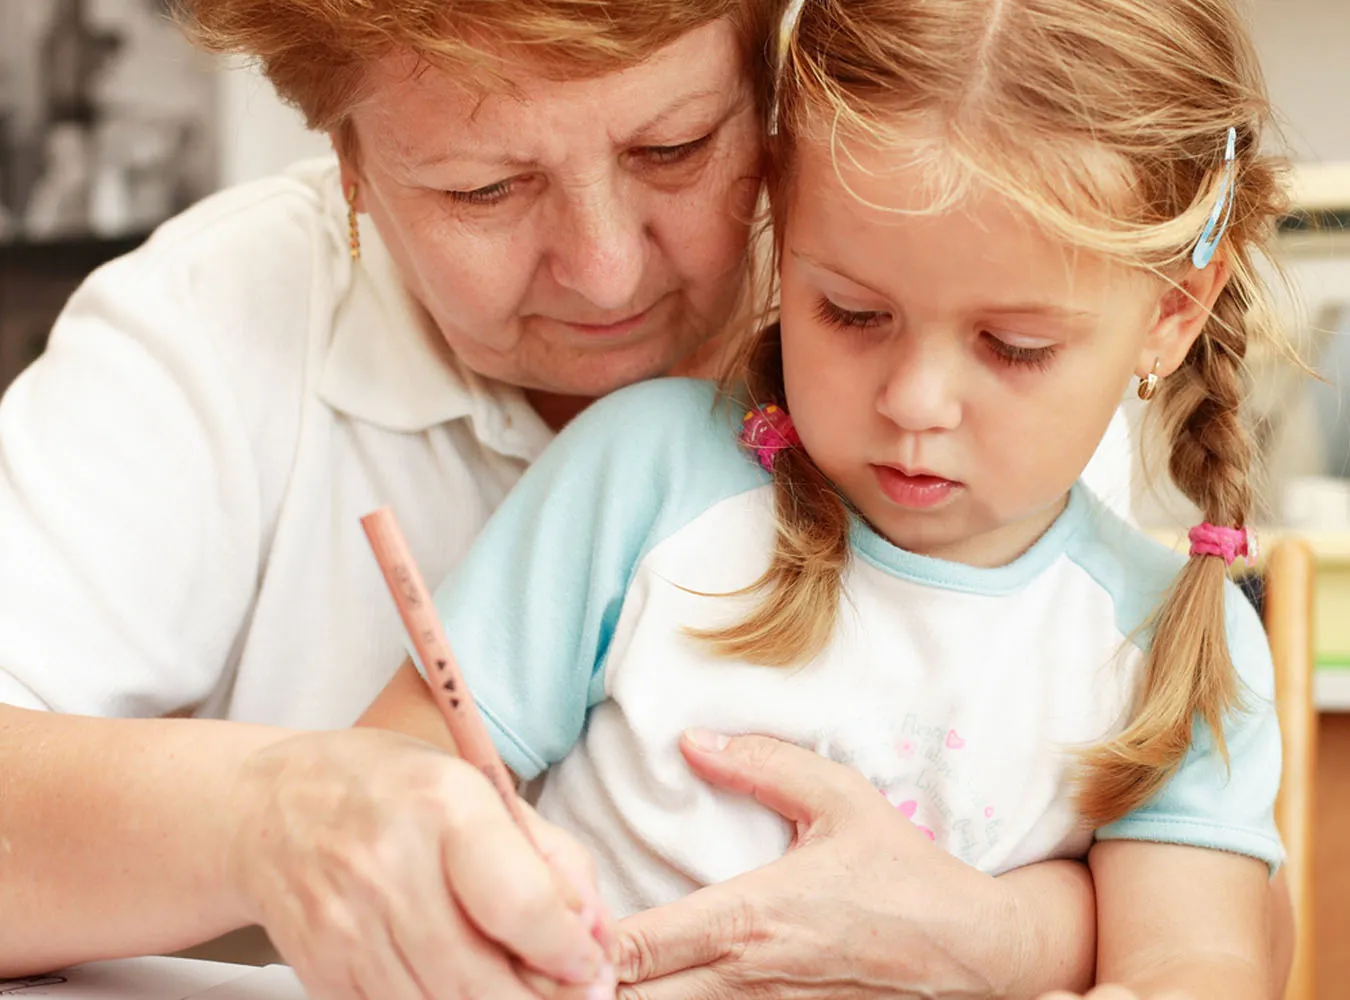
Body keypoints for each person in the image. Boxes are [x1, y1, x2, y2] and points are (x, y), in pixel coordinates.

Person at [0, 1, 1148, 998]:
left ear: (770, 88)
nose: (604, 267)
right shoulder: (206, 331)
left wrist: (1006, 939)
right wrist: (268, 818)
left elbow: (1217, 879)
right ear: (347, 162)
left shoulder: (983, 348)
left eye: (675, 148)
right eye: (483, 188)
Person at [361, 0, 1298, 996]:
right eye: (850, 312)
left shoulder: (1169, 642)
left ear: (1172, 314)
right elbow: (385, 786)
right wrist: (466, 870)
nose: (914, 400)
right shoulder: (645, 477)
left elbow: (1195, 968)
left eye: (1012, 346)